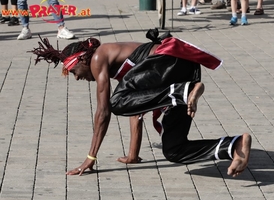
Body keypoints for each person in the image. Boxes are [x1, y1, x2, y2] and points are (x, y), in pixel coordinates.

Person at [30, 28, 252, 178]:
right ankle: (234, 146)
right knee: (174, 150)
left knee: (115, 102)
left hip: (169, 64)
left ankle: (185, 91)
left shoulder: (98, 58)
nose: (77, 77)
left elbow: (103, 112)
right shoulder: (121, 71)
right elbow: (137, 110)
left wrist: (90, 158)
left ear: (82, 60)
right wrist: (133, 155)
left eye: (74, 71)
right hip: (181, 72)